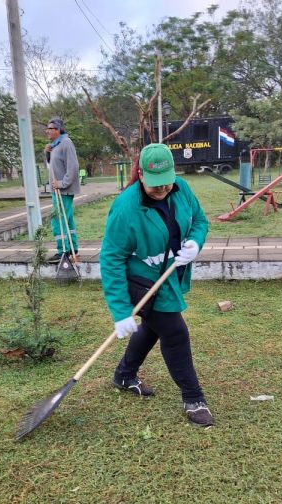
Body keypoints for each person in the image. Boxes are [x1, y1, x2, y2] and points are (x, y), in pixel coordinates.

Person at [99, 143, 213, 427]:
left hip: (170, 274)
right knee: (174, 332)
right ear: (140, 175)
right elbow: (111, 259)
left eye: (166, 182)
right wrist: (120, 311)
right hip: (143, 280)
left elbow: (199, 220)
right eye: (155, 184)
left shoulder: (182, 189)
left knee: (152, 327)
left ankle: (124, 375)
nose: (162, 189)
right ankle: (194, 398)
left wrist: (195, 243)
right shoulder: (126, 208)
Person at [44, 118, 80, 264]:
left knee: (58, 220)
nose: (47, 131)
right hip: (57, 190)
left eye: (50, 128)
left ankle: (62, 251)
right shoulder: (55, 145)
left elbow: (73, 166)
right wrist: (47, 153)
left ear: (58, 130)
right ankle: (72, 249)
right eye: (47, 128)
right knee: (67, 219)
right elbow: (52, 164)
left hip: (63, 190)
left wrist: (62, 183)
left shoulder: (66, 143)